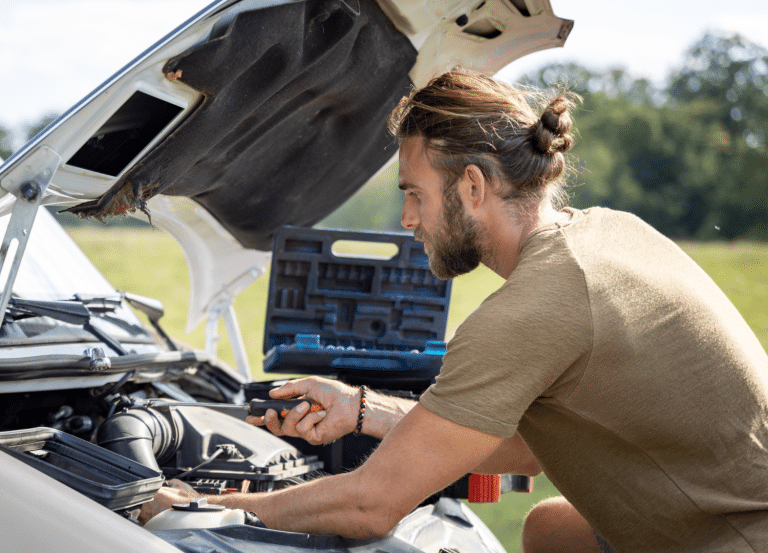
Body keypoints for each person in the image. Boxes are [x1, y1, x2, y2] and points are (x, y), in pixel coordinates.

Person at [140, 70, 768, 553]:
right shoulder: (607, 232)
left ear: (472, 185)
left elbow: (369, 506)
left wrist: (206, 508)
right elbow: (531, 450)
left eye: (415, 195)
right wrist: (365, 410)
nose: (408, 220)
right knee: (549, 528)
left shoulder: (533, 308)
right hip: (731, 506)